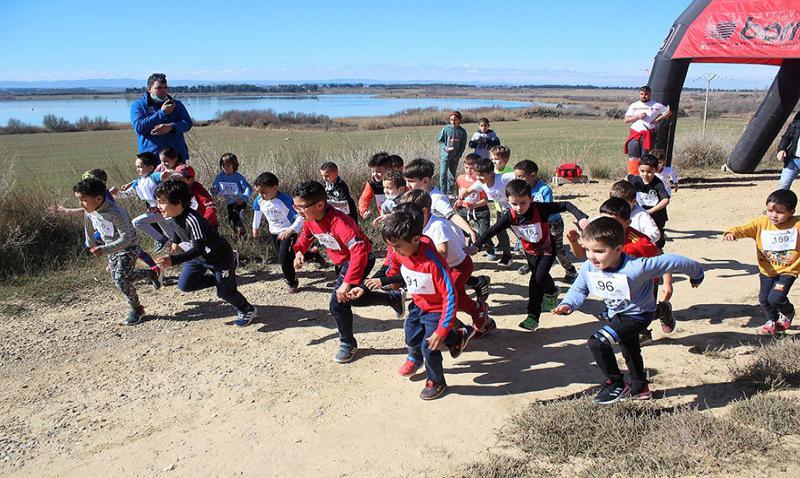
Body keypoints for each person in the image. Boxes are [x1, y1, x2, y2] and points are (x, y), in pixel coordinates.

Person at [554, 217, 704, 404]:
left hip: (638, 315)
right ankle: (640, 388)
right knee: (630, 351)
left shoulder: (636, 267)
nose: (592, 256)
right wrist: (569, 304)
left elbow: (672, 261)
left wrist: (697, 273)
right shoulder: (588, 267)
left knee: (597, 343)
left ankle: (615, 384)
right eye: (588, 250)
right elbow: (579, 289)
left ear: (618, 250)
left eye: (599, 251)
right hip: (617, 314)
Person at [356, 207, 476, 400]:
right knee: (411, 335)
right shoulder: (401, 248)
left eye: (397, 247)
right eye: (391, 247)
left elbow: (450, 297)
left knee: (430, 346)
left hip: (437, 309)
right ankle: (457, 337)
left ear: (415, 240)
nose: (395, 251)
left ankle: (436, 381)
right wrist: (366, 285)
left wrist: (441, 329)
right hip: (418, 304)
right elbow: (393, 265)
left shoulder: (433, 263)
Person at [291, 180, 405, 363]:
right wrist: (299, 251)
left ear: (320, 204)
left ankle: (347, 343)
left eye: (301, 207)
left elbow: (358, 251)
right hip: (343, 262)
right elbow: (307, 234)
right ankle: (391, 298)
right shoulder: (310, 219)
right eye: (295, 206)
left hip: (359, 259)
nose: (298, 211)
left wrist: (346, 283)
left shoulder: (340, 222)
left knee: (337, 302)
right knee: (352, 299)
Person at [468, 179, 589, 331]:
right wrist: (477, 245)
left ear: (531, 199)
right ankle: (552, 291)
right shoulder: (509, 216)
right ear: (508, 201)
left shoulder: (540, 209)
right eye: (514, 204)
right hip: (530, 251)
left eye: (523, 203)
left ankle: (533, 316)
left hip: (547, 249)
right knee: (541, 275)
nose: (519, 208)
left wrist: (581, 217)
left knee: (536, 281)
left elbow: (566, 205)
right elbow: (492, 231)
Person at [566, 198, 676, 339]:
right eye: (603, 219)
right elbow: (581, 254)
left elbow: (662, 259)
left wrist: (667, 282)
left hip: (642, 284)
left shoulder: (640, 243)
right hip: (616, 282)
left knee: (642, 314)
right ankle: (635, 337)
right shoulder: (597, 235)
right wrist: (574, 241)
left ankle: (662, 310)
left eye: (614, 222)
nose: (607, 225)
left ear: (627, 223)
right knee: (622, 316)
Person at [154, 180, 257, 326]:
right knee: (185, 285)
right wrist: (175, 241)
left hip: (219, 257)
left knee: (225, 293)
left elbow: (198, 248)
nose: (158, 206)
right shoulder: (170, 216)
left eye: (161, 202)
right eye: (157, 202)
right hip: (198, 258)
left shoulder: (193, 220)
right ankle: (223, 280)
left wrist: (173, 260)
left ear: (177, 202)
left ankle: (246, 309)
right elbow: (177, 230)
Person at [397, 190, 493, 335]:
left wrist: (423, 263)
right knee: (458, 297)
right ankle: (481, 321)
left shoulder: (437, 225)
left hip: (458, 267)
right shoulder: (416, 224)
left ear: (424, 212)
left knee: (445, 297)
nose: (407, 220)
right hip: (444, 269)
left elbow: (442, 252)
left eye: (409, 215)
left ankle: (474, 313)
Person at [72, 178, 160, 325]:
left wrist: (103, 249)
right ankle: (151, 273)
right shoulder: (90, 210)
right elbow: (88, 224)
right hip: (112, 249)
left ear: (98, 198)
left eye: (83, 200)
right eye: (79, 200)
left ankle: (137, 309)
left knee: (120, 279)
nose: (81, 204)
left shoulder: (116, 213)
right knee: (119, 278)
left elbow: (126, 238)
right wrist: (91, 243)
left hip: (128, 248)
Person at [48, 169, 161, 276]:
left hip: (115, 230)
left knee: (132, 250)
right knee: (132, 251)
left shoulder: (102, 196)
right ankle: (150, 268)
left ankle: (153, 270)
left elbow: (86, 211)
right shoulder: (102, 194)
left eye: (88, 180)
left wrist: (66, 211)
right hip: (107, 230)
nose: (85, 182)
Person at [723, 189, 800, 335]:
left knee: (776, 298)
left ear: (791, 212)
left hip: (788, 270)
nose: (774, 215)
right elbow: (743, 229)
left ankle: (788, 313)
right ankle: (773, 321)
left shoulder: (797, 225)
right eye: (770, 210)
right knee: (764, 299)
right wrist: (731, 233)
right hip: (766, 270)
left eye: (780, 212)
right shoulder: (762, 223)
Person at [514, 160, 578, 283]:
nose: (517, 179)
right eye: (516, 176)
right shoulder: (519, 190)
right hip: (531, 224)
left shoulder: (544, 189)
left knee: (557, 250)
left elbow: (547, 210)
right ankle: (531, 264)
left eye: (520, 176)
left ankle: (571, 270)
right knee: (526, 247)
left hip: (552, 224)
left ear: (532, 175)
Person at [251, 172, 305, 293]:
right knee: (288, 256)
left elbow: (301, 217)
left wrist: (290, 230)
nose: (261, 195)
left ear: (275, 187)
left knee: (283, 258)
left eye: (263, 192)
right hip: (273, 232)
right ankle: (312, 255)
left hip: (288, 231)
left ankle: (291, 281)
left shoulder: (285, 200)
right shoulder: (259, 200)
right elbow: (257, 212)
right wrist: (255, 227)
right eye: (259, 192)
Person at [402, 158, 477, 243]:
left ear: (425, 180)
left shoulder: (436, 198)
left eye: (410, 181)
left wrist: (470, 231)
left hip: (449, 243)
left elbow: (452, 215)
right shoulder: (415, 196)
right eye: (406, 181)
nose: (407, 185)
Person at [459, 157, 516, 264]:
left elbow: (518, 175)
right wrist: (463, 194)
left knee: (519, 232)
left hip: (516, 209)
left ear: (491, 173)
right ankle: (507, 256)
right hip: (504, 210)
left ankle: (535, 251)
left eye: (482, 175)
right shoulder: (481, 183)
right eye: (477, 174)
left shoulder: (502, 178)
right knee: (500, 231)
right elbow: (470, 189)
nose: (478, 177)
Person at [111, 152, 170, 253]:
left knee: (137, 222)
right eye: (136, 167)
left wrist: (164, 175)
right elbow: (128, 194)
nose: (137, 169)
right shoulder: (138, 181)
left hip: (164, 211)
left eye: (140, 166)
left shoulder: (153, 176)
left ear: (150, 167)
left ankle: (162, 240)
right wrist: (117, 194)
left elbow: (162, 176)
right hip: (156, 212)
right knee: (173, 236)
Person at [130, 73, 192, 161]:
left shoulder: (176, 104)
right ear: (149, 89)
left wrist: (171, 127)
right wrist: (162, 113)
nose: (163, 90)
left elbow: (187, 123)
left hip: (176, 156)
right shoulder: (138, 105)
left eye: (165, 87)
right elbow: (139, 128)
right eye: (158, 88)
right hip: (152, 158)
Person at [623, 85, 671, 175]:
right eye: (641, 94)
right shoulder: (634, 105)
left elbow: (668, 112)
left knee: (647, 158)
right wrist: (637, 116)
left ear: (650, 94)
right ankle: (633, 176)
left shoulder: (656, 105)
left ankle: (646, 178)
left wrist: (657, 120)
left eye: (646, 94)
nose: (643, 96)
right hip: (635, 135)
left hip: (648, 135)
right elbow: (626, 120)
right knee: (633, 157)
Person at [627, 154, 670, 249]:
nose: (645, 174)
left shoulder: (658, 183)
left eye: (649, 172)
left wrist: (651, 211)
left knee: (657, 237)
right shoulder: (635, 181)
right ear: (638, 169)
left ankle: (658, 253)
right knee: (639, 234)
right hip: (640, 215)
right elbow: (628, 178)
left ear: (656, 170)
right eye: (642, 171)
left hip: (657, 216)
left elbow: (665, 199)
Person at [455, 154, 494, 257]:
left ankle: (490, 248)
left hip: (480, 210)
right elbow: (459, 194)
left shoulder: (480, 181)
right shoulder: (460, 179)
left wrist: (474, 205)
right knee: (460, 228)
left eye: (472, 168)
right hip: (464, 210)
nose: (469, 170)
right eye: (466, 167)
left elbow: (485, 200)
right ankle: (476, 238)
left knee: (484, 231)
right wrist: (459, 202)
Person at [211, 153, 252, 238]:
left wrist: (243, 198)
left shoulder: (238, 177)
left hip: (240, 201)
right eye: (223, 165)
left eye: (228, 165)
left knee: (236, 215)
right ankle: (239, 237)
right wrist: (212, 191)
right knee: (231, 222)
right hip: (230, 203)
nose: (225, 167)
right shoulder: (220, 177)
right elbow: (216, 190)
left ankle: (242, 236)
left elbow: (248, 188)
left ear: (234, 165)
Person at [609, 179, 661, 244]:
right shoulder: (610, 211)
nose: (619, 207)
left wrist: (639, 241)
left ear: (633, 202)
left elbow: (655, 234)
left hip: (634, 250)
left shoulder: (641, 215)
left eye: (623, 204)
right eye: (614, 203)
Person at [437, 111, 468, 195]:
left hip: (455, 157)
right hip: (445, 156)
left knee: (452, 175)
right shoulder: (446, 129)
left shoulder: (462, 132)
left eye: (455, 120)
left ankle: (451, 192)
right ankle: (443, 192)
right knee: (443, 174)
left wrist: (458, 155)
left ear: (459, 120)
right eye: (451, 120)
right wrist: (445, 148)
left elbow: (462, 146)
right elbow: (440, 141)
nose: (453, 122)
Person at [358, 152, 392, 219]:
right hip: (383, 217)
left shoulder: (399, 181)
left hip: (400, 217)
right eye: (373, 171)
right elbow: (364, 198)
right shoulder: (372, 183)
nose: (374, 174)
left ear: (389, 170)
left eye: (378, 171)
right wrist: (364, 211)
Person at [777, 112, 800, 190]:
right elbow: (786, 138)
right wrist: (781, 149)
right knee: (783, 187)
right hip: (793, 160)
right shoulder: (796, 124)